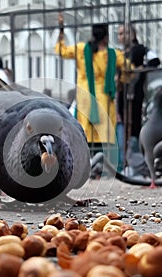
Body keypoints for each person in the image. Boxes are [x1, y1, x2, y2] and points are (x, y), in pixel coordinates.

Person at [55, 17, 131, 167]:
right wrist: (121, 81)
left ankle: (85, 164)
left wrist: (61, 32)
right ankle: (106, 165)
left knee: (85, 133)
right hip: (104, 98)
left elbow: (60, 50)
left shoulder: (82, 49)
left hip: (85, 98)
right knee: (104, 134)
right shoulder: (113, 54)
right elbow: (129, 69)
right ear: (106, 36)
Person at [116, 24, 160, 169]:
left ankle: (135, 158)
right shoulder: (119, 54)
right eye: (120, 33)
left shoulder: (141, 49)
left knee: (135, 123)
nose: (122, 36)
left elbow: (155, 61)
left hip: (136, 91)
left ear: (133, 34)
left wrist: (141, 69)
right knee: (122, 121)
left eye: (125, 33)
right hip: (122, 93)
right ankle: (123, 160)